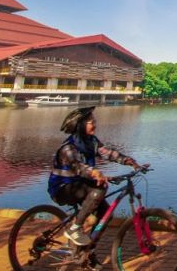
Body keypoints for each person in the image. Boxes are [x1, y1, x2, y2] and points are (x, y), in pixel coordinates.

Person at [47, 106, 143, 248]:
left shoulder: (91, 142)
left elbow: (108, 153)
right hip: (63, 188)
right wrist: (94, 173)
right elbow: (77, 166)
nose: (95, 125)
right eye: (91, 122)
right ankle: (75, 228)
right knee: (100, 188)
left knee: (106, 215)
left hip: (82, 186)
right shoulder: (68, 147)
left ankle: (87, 252)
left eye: (94, 121)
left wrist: (130, 162)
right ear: (80, 126)